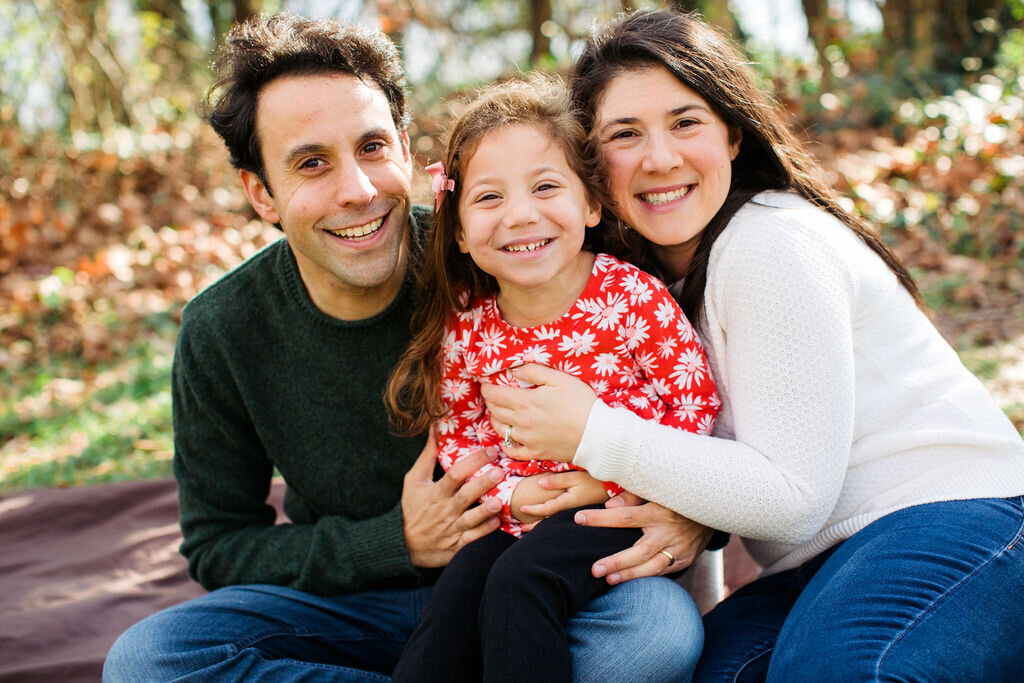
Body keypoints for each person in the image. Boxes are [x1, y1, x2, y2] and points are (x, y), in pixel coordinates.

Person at [101, 13, 705, 682]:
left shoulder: (506, 253)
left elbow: (681, 405)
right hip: (352, 608)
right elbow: (218, 545)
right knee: (148, 661)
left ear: (407, 152)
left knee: (657, 632)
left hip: (535, 583)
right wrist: (393, 541)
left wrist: (690, 515)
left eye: (371, 147)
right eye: (311, 163)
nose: (357, 191)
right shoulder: (224, 328)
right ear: (261, 193)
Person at [479, 8, 1024, 681]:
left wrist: (595, 431)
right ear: (593, 163)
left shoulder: (772, 242)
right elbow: (708, 468)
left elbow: (793, 496)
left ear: (732, 134)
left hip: (955, 516)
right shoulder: (633, 290)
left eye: (686, 122)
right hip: (810, 567)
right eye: (625, 134)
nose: (660, 157)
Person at [385, 76, 719, 682]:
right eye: (488, 198)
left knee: (522, 581)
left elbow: (694, 404)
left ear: (592, 204)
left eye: (545, 187)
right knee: (457, 592)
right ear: (457, 230)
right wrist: (506, 496)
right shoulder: (469, 326)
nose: (520, 215)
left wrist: (613, 480)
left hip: (611, 511)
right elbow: (460, 435)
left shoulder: (628, 297)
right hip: (515, 515)